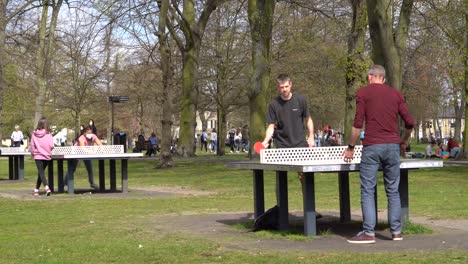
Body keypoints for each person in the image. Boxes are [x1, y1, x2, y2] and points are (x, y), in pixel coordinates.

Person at [343, 65, 414, 244]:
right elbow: (410, 122)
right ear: (383, 78)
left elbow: (358, 123)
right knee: (393, 190)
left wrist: (351, 147)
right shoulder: (396, 94)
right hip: (392, 147)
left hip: (372, 146)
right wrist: (403, 140)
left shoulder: (363, 93)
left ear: (369, 77)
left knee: (367, 189)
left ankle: (369, 233)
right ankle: (396, 232)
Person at [261, 73, 316, 184]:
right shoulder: (273, 104)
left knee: (304, 178)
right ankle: (281, 202)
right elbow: (271, 125)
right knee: (280, 179)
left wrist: (311, 136)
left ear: (290, 85)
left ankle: (307, 201)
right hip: (282, 145)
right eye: (282, 87)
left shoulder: (301, 100)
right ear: (278, 87)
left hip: (300, 144)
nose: (284, 89)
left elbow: (308, 119)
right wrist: (265, 141)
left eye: (286, 86)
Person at [30, 117, 55, 196]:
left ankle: (46, 188)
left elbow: (32, 145)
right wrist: (48, 150)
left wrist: (33, 153)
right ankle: (37, 190)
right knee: (41, 173)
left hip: (38, 155)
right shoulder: (49, 134)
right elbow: (52, 145)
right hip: (47, 155)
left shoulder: (34, 134)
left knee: (41, 173)